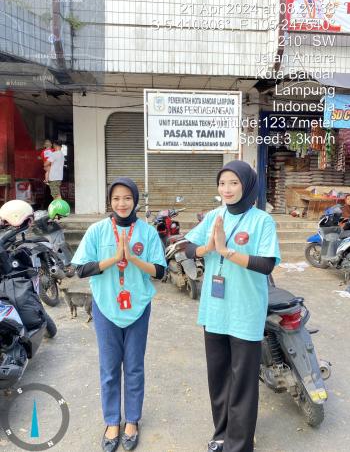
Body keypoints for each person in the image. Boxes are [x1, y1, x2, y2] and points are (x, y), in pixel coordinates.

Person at [185, 161, 281, 452]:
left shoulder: (262, 221)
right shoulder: (214, 216)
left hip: (245, 311)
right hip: (214, 311)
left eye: (234, 183)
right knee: (218, 378)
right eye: (222, 183)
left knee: (243, 383)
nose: (226, 189)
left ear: (247, 185)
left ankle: (239, 445)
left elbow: (266, 264)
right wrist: (208, 248)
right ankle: (221, 435)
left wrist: (227, 251)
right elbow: (188, 247)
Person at [72, 177, 166, 452]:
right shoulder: (97, 230)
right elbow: (80, 269)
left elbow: (160, 272)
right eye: (116, 198)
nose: (122, 203)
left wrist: (134, 259)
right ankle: (112, 421)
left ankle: (132, 420)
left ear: (135, 200)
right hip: (106, 308)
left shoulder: (147, 232)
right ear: (109, 202)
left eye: (127, 198)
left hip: (137, 308)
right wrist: (114, 258)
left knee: (134, 366)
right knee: (110, 367)